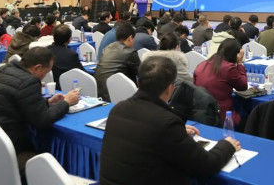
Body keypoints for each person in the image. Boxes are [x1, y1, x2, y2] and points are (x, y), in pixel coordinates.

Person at [99, 56, 239, 185]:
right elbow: (206, 166)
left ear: (138, 82)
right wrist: (227, 146)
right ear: (170, 89)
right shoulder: (166, 123)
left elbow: (143, 133)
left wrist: (177, 132)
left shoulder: (118, 109)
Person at [0, 47, 80, 180]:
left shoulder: (2, 70)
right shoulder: (28, 81)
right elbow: (41, 121)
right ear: (37, 68)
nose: (45, 75)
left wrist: (47, 103)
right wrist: (66, 103)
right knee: (45, 165)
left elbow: (15, 104)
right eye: (46, 71)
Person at [194, 38, 247, 128]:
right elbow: (243, 86)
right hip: (221, 115)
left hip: (201, 113)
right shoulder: (228, 67)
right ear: (235, 54)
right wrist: (239, 63)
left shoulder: (202, 65)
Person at [94, 23, 140, 101]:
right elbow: (142, 74)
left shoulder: (108, 47)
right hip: (116, 95)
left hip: (99, 92)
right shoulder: (130, 52)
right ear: (130, 38)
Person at [47, 24, 85, 90]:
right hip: (65, 88)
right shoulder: (71, 54)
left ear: (53, 37)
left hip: (49, 87)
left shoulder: (45, 50)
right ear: (69, 39)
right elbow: (82, 73)